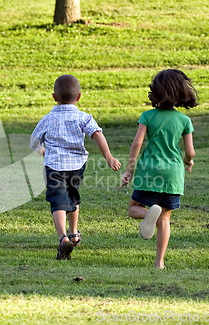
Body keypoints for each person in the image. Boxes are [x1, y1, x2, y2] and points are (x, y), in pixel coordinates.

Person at [31, 74, 121, 260]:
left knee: (58, 201)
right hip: (76, 166)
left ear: (54, 97)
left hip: (54, 166)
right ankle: (74, 233)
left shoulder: (47, 119)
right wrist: (109, 157)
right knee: (73, 197)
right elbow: (97, 134)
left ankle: (63, 238)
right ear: (79, 96)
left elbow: (34, 141)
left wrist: (42, 151)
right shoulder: (83, 117)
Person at [120, 69, 198, 269]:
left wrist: (129, 170)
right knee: (164, 218)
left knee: (133, 208)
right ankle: (159, 262)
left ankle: (147, 214)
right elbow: (190, 152)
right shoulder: (184, 120)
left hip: (149, 171)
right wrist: (187, 161)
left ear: (155, 92)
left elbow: (137, 144)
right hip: (172, 173)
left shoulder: (147, 116)